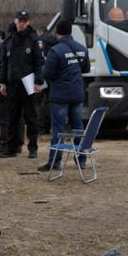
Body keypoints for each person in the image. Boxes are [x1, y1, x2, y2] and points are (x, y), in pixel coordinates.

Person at [38, 20, 90, 172]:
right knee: (78, 128)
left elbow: (47, 74)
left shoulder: (55, 50)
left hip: (60, 96)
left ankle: (54, 162)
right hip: (77, 94)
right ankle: (81, 160)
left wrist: (43, 66)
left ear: (57, 33)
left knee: (59, 130)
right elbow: (85, 69)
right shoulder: (81, 48)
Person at [0, 11, 44, 159]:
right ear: (15, 20)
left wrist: (38, 82)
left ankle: (33, 148)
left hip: (29, 83)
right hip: (12, 84)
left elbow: (39, 63)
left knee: (31, 116)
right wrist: (2, 82)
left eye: (25, 20)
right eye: (20, 20)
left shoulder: (33, 40)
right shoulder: (9, 40)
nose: (22, 23)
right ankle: (11, 148)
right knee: (12, 117)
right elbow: (4, 64)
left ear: (28, 22)